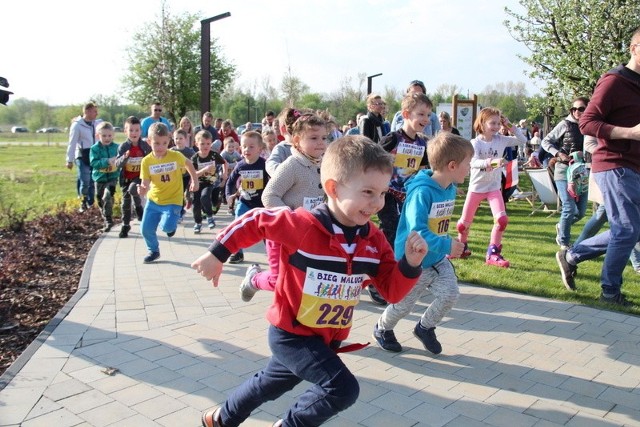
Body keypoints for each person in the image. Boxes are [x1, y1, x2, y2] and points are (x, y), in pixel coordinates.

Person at [192, 136, 428, 427]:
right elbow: (255, 220)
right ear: (333, 188)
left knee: (268, 384)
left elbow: (391, 291)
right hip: (291, 334)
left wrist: (410, 264)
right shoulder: (303, 225)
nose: (377, 203)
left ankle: (219, 419)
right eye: (368, 192)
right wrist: (217, 253)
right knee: (342, 389)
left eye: (381, 193)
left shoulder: (373, 240)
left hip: (325, 338)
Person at [557, 29, 640, 305]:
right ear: (633, 47)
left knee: (628, 230)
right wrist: (629, 133)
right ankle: (610, 291)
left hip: (635, 166)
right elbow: (587, 123)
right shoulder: (614, 81)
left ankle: (571, 256)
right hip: (614, 164)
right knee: (627, 228)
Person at [374, 132, 473, 355]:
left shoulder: (448, 187)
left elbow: (437, 224)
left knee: (450, 294)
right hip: (414, 260)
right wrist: (447, 245)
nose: (470, 168)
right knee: (404, 305)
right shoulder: (421, 193)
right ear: (452, 165)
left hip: (436, 258)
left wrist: (449, 242)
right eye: (468, 163)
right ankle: (383, 329)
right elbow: (417, 233)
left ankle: (425, 328)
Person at [240, 113, 327, 302]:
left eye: (324, 138)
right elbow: (269, 195)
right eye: (313, 138)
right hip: (281, 233)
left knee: (304, 279)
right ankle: (254, 279)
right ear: (296, 140)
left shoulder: (324, 164)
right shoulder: (292, 165)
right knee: (278, 279)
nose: (321, 143)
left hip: (308, 234)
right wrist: (290, 216)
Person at [372, 93, 431, 305]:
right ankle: (376, 280)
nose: (426, 119)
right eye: (421, 114)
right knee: (391, 228)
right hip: (386, 193)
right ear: (406, 114)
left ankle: (394, 274)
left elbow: (425, 169)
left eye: (428, 115)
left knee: (402, 232)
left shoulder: (422, 144)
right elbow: (374, 158)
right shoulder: (393, 138)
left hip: (406, 195)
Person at [456, 107, 526, 268]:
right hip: (476, 187)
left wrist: (509, 125)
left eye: (498, 123)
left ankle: (493, 253)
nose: (495, 126)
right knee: (463, 224)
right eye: (492, 123)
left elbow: (523, 140)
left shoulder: (501, 139)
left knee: (501, 220)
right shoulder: (476, 143)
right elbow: (474, 163)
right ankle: (461, 247)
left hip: (493, 187)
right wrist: (492, 162)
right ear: (482, 123)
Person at [138, 123, 199, 263]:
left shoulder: (175, 156)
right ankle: (153, 251)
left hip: (173, 200)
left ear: (169, 141)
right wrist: (142, 189)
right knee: (145, 229)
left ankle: (171, 222)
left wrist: (195, 181)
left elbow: (189, 164)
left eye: (164, 143)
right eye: (156, 143)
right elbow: (145, 183)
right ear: (149, 142)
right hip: (154, 200)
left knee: (167, 227)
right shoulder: (146, 161)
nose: (161, 147)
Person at [541, 96, 590, 249]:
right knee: (569, 207)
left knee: (580, 212)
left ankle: (561, 225)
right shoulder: (565, 124)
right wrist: (558, 154)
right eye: (573, 109)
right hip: (563, 171)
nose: (576, 112)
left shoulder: (590, 126)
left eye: (581, 108)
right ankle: (564, 242)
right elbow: (546, 141)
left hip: (582, 173)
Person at [225, 131, 269, 264]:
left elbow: (274, 181)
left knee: (266, 230)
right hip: (245, 202)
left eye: (251, 146)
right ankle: (237, 253)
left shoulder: (264, 165)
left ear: (260, 149)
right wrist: (229, 196)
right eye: (244, 146)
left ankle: (272, 254)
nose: (246, 149)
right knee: (237, 225)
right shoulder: (240, 165)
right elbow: (230, 182)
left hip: (262, 204)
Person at [115, 116, 151, 238]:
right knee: (125, 203)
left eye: (136, 130)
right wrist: (125, 158)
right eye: (131, 130)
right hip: (126, 178)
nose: (134, 133)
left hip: (139, 177)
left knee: (133, 189)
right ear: (125, 132)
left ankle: (138, 208)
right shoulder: (123, 147)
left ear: (141, 131)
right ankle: (126, 224)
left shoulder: (145, 146)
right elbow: (117, 164)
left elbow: (151, 158)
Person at [191, 130, 228, 233]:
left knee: (205, 196)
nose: (205, 146)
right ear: (196, 144)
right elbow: (193, 173)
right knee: (196, 204)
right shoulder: (195, 158)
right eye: (202, 144)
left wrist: (225, 173)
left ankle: (210, 216)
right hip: (198, 183)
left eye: (208, 143)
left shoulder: (213, 155)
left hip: (210, 181)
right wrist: (204, 170)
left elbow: (224, 163)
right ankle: (198, 223)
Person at [66, 101, 98, 212]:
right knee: (85, 180)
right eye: (94, 111)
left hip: (93, 154)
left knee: (93, 180)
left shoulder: (96, 124)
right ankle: (83, 202)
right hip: (82, 154)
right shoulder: (77, 125)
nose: (96, 114)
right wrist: (69, 160)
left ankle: (91, 202)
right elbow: (72, 142)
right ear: (87, 111)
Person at [89, 121, 120, 232]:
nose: (107, 138)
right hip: (99, 178)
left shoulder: (117, 147)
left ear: (113, 135)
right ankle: (105, 214)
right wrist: (107, 161)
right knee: (100, 199)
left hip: (112, 177)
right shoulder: (94, 149)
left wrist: (119, 162)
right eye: (104, 136)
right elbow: (94, 163)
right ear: (98, 136)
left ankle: (109, 220)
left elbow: (121, 161)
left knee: (107, 196)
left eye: (109, 135)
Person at [170, 128, 196, 221]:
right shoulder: (171, 151)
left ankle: (181, 211)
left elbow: (195, 161)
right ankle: (180, 211)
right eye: (176, 138)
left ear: (185, 140)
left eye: (181, 138)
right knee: (178, 194)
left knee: (182, 193)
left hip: (186, 176)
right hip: (174, 177)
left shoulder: (189, 151)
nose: (178, 141)